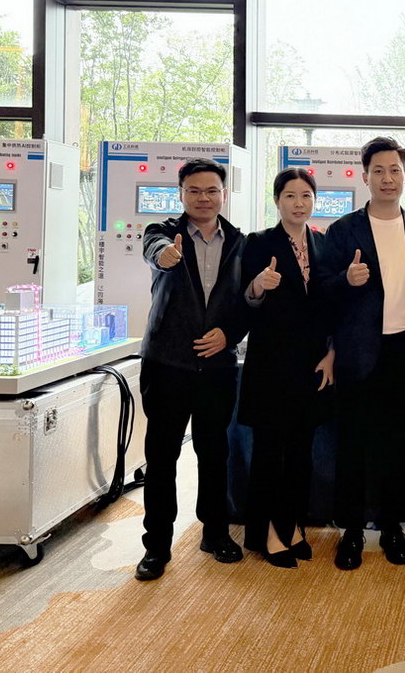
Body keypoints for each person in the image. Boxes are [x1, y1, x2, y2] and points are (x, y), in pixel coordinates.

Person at [135, 158, 249, 581]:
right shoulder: (163, 234)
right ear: (181, 194)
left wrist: (229, 334)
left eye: (212, 190)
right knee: (161, 457)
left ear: (224, 194)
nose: (204, 198)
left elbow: (246, 302)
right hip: (167, 364)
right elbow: (154, 250)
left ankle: (215, 533)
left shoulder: (239, 242)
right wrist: (164, 255)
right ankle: (156, 546)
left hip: (217, 367)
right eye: (195, 191)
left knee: (214, 453)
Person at [318, 137, 405, 571]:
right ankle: (352, 531)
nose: (387, 178)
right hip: (358, 353)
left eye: (394, 170)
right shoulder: (343, 230)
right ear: (365, 177)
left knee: (398, 445)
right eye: (378, 170)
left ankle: (392, 526)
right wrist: (346, 280)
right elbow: (321, 290)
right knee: (354, 446)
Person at [238, 167, 335, 568]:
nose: (299, 203)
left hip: (313, 364)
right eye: (290, 196)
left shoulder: (323, 243)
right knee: (268, 454)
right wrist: (258, 285)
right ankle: (265, 533)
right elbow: (242, 299)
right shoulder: (259, 243)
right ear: (277, 201)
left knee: (300, 453)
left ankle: (293, 526)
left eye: (306, 196)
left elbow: (332, 305)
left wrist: (332, 352)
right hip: (271, 365)